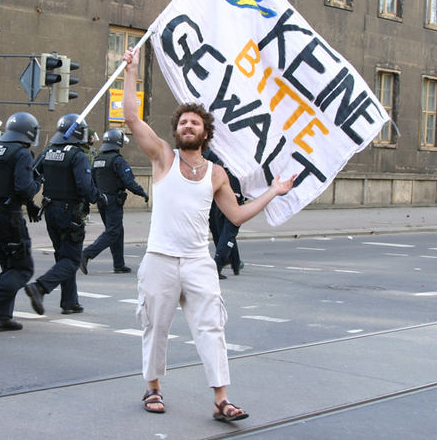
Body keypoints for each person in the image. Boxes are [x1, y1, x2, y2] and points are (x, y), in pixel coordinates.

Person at [121, 46, 295, 421]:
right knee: (155, 325)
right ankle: (152, 388)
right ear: (176, 129)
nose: (187, 126)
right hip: (161, 259)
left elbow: (236, 214)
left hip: (199, 262)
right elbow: (132, 117)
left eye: (194, 123)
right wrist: (131, 71)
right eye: (183, 122)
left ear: (204, 132)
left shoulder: (217, 173)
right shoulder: (163, 158)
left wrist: (273, 191)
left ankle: (221, 401)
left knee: (212, 327)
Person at [23, 113, 104, 316]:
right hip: (70, 212)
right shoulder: (77, 155)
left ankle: (69, 301)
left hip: (50, 209)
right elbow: (85, 187)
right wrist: (99, 197)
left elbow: (31, 176)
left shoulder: (48, 151)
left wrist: (29, 202)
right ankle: (40, 287)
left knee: (64, 257)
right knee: (73, 259)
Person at [0, 112, 41, 331]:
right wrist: (37, 184)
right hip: (9, 216)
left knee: (8, 265)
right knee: (22, 268)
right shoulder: (22, 153)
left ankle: (3, 317)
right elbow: (23, 187)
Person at [81, 128, 148, 274]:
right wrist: (142, 193)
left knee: (117, 231)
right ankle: (86, 254)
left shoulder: (98, 159)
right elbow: (129, 181)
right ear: (117, 143)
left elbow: (92, 181)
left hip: (101, 200)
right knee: (113, 232)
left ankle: (119, 264)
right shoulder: (117, 160)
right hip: (113, 200)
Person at [204, 148, 245, 278]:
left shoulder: (218, 148)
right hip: (230, 185)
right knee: (229, 229)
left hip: (221, 186)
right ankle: (218, 263)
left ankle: (234, 261)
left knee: (223, 228)